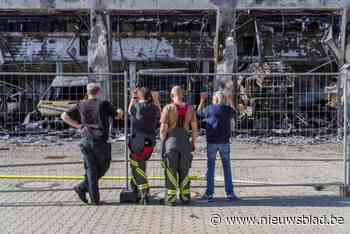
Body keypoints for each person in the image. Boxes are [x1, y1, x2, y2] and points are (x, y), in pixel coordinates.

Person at [61, 82, 117, 205]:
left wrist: (77, 126)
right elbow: (117, 116)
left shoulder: (81, 104)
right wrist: (120, 111)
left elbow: (64, 115)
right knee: (103, 166)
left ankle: (91, 196)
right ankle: (83, 187)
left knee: (92, 169)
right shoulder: (103, 104)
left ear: (88, 92)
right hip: (99, 140)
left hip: (85, 140)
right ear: (99, 92)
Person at [197, 91, 238, 202]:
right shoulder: (227, 110)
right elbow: (234, 112)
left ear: (214, 99)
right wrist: (230, 100)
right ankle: (230, 193)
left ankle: (209, 193)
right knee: (227, 167)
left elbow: (199, 113)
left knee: (210, 168)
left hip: (212, 142)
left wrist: (201, 100)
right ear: (224, 99)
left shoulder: (209, 109)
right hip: (224, 142)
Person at [160, 86, 197, 206]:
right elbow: (195, 129)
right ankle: (185, 197)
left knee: (171, 170)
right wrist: (193, 143)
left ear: (172, 95)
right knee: (184, 171)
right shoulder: (190, 109)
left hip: (171, 142)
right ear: (183, 94)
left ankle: (170, 199)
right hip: (185, 142)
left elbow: (163, 128)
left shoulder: (168, 108)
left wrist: (163, 143)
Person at [128, 87, 161, 205]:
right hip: (150, 141)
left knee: (135, 165)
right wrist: (156, 99)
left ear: (139, 96)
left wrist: (133, 97)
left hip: (138, 140)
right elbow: (159, 113)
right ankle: (135, 187)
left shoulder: (136, 107)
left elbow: (129, 111)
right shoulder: (153, 108)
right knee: (141, 163)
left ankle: (144, 192)